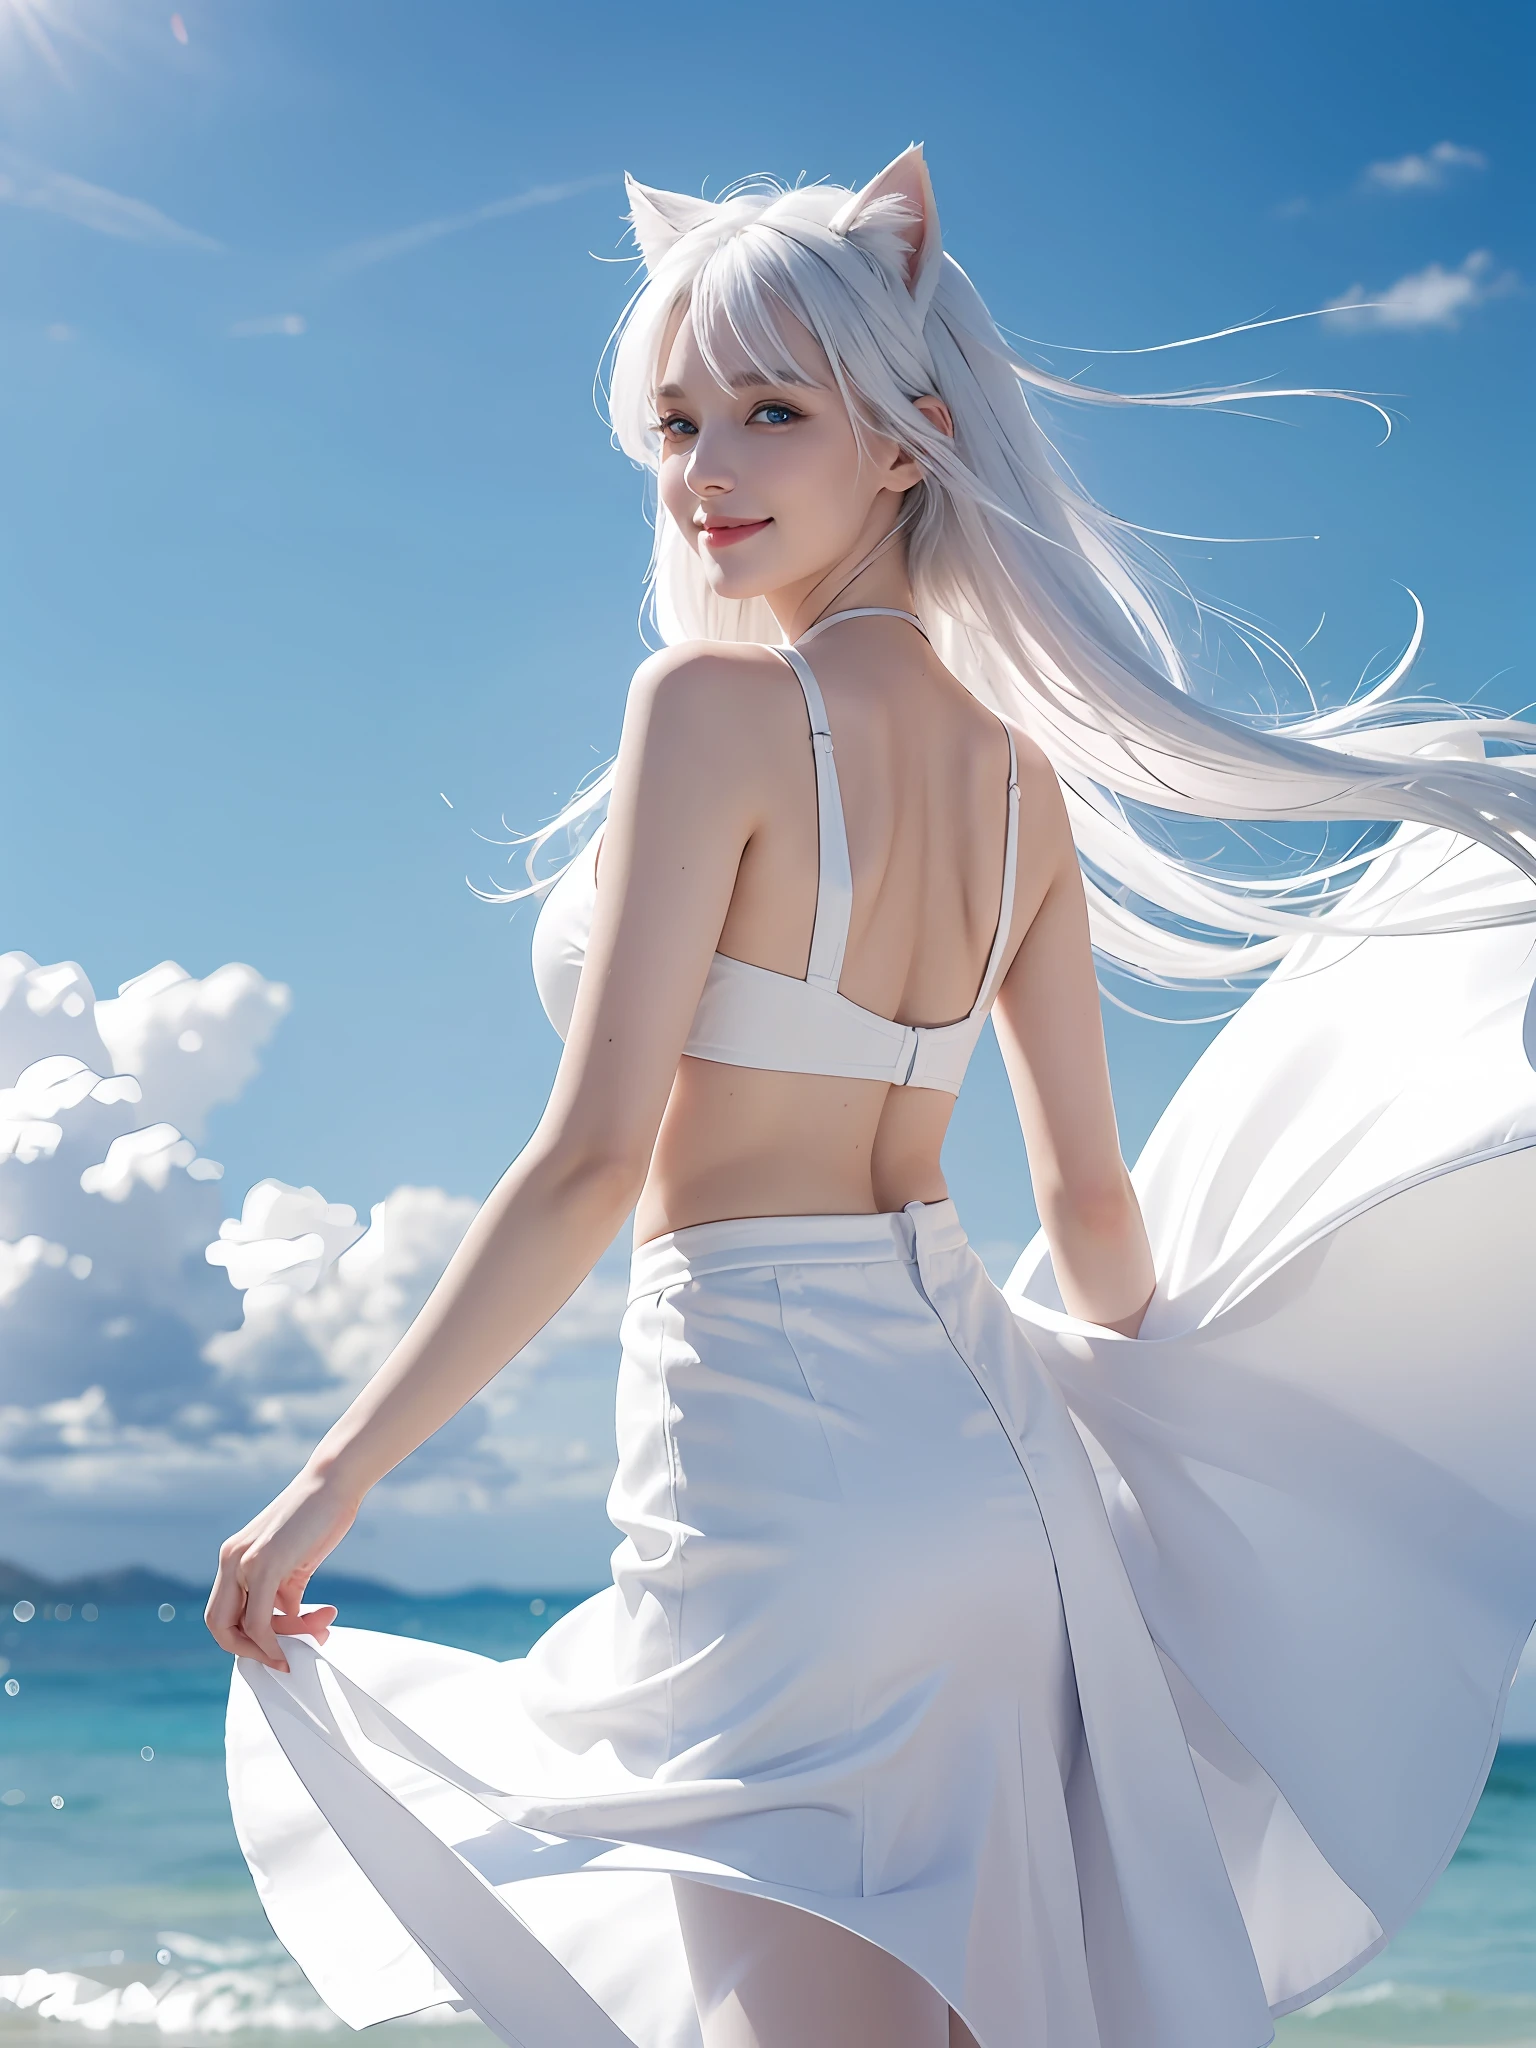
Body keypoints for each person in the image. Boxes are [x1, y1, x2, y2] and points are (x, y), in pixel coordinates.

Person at [207, 149, 1536, 2048]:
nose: (706, 472)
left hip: (769, 1468)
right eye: (676, 423)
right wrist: (1192, 1454)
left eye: (770, 412)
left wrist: (328, 1482)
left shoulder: (709, 714)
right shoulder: (1026, 788)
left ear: (909, 442)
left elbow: (592, 1159)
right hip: (1001, 1487)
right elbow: (1089, 1212)